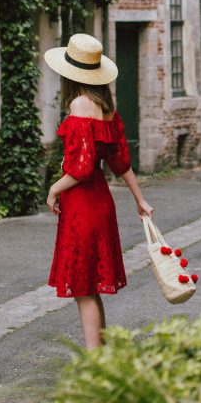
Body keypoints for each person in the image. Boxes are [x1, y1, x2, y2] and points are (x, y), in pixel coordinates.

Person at [44, 33, 154, 349]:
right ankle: (101, 358)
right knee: (89, 284)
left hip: (82, 204)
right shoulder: (108, 110)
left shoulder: (79, 104)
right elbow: (121, 162)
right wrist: (140, 199)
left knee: (82, 287)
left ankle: (95, 363)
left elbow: (81, 167)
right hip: (100, 203)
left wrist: (54, 188)